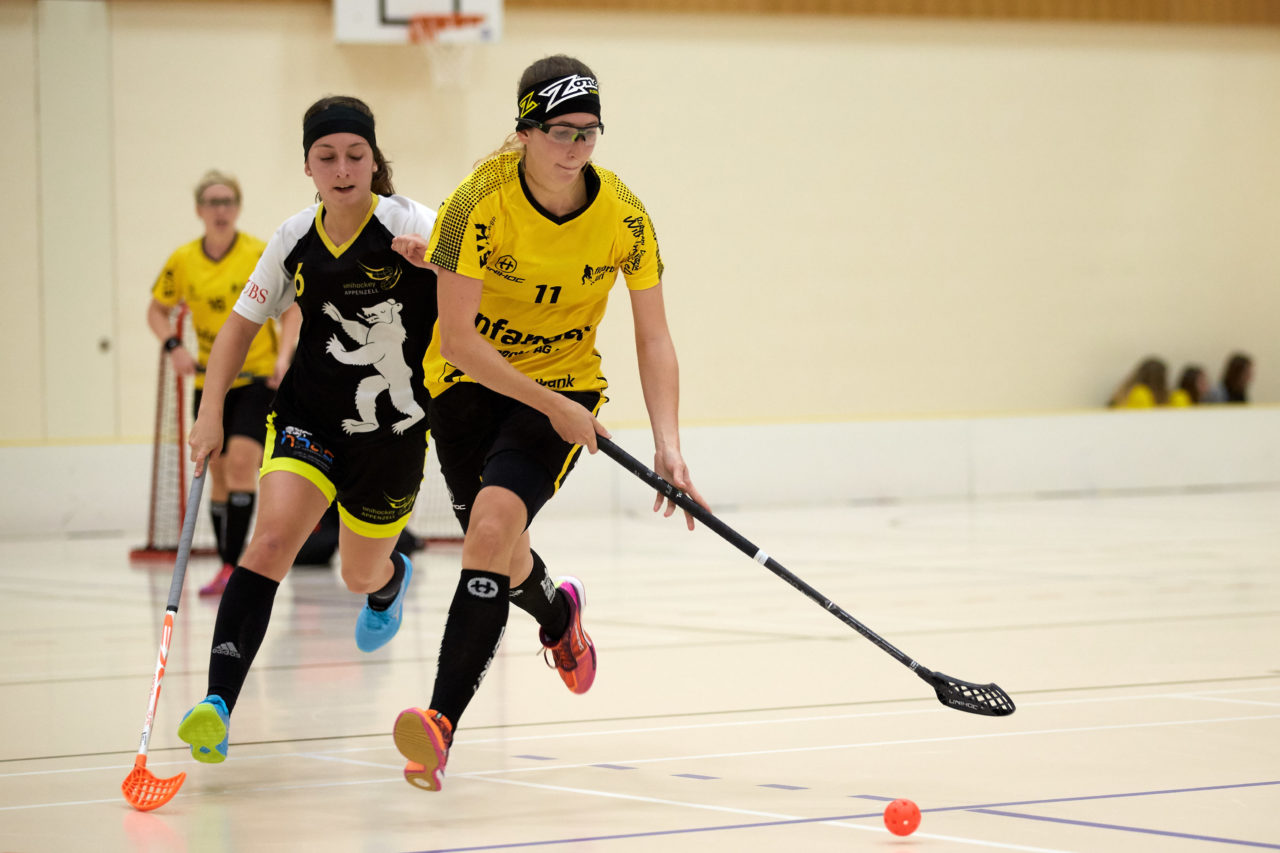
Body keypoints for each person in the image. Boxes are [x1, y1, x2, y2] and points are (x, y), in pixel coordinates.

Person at [388, 54, 709, 793]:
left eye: (589, 133)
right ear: (525, 131)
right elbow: (461, 340)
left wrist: (669, 443)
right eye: (560, 131)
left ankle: (438, 723)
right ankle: (559, 613)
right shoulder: (477, 203)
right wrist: (553, 407)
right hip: (468, 385)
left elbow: (653, 336)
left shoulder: (624, 214)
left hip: (567, 383)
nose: (574, 148)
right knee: (499, 546)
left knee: (490, 530)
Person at [176, 96, 438, 766]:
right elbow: (240, 325)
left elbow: (483, 288)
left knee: (357, 574)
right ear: (307, 166)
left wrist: (439, 264)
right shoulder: (294, 236)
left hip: (392, 430)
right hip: (308, 415)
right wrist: (209, 410)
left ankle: (388, 580)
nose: (343, 168)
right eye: (328, 157)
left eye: (356, 155)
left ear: (374, 160)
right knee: (268, 543)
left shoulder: (414, 222)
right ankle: (218, 704)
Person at [146, 170, 300, 596]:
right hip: (212, 381)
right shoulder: (183, 260)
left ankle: (235, 567)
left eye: (228, 201)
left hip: (257, 376)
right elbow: (156, 311)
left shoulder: (257, 252)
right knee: (214, 472)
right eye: (213, 202)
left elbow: (292, 309)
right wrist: (174, 345)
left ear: (238, 207)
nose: (221, 209)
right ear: (199, 209)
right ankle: (226, 564)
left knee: (240, 465)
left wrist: (285, 357)